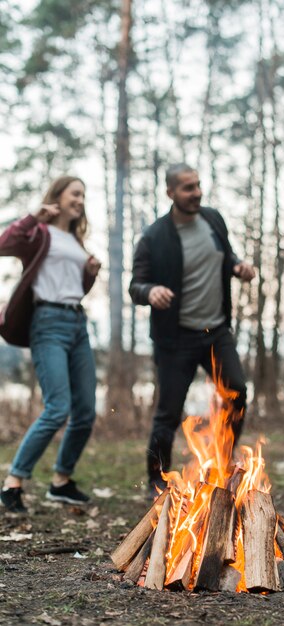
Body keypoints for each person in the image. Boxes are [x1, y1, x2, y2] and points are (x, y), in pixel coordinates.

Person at [129, 163, 255, 497]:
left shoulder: (213, 219)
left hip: (216, 331)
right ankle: (157, 480)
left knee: (237, 393)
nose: (196, 192)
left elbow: (225, 258)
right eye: (187, 188)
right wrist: (150, 292)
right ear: (170, 193)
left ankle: (222, 460)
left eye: (198, 185)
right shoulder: (154, 237)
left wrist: (238, 267)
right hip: (177, 339)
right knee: (169, 413)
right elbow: (135, 285)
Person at [0, 176, 101, 513]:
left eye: (83, 195)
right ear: (58, 196)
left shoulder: (76, 240)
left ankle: (61, 482)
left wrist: (90, 272)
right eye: (75, 193)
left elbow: (75, 287)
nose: (80, 199)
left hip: (77, 323)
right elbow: (5, 243)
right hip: (48, 324)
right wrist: (34, 217)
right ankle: (13, 483)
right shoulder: (40, 232)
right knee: (58, 407)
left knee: (85, 411)